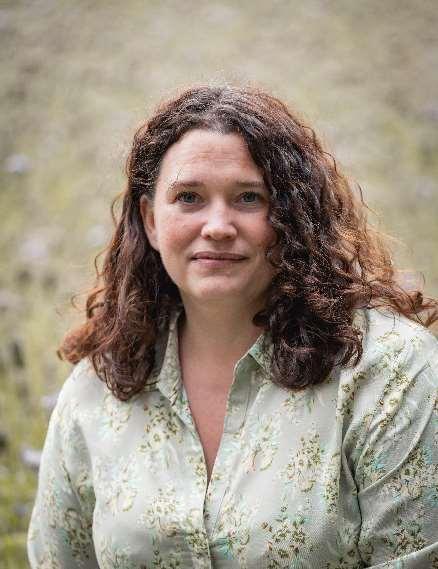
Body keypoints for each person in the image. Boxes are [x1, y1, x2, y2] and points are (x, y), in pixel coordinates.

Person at [28, 84, 438, 568]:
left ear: (291, 214)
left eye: (248, 198)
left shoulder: (390, 373)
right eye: (189, 197)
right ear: (151, 221)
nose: (218, 226)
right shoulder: (97, 390)